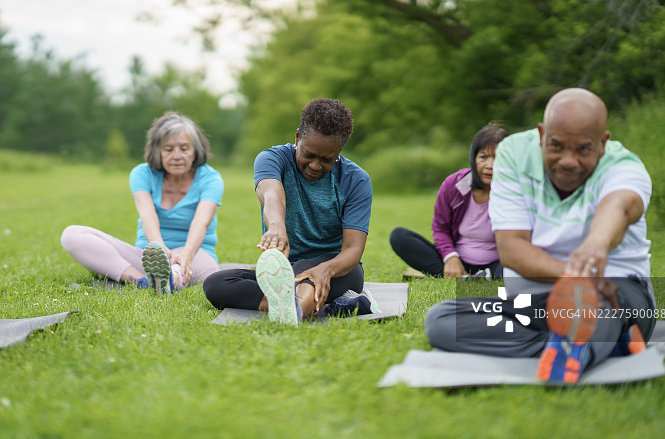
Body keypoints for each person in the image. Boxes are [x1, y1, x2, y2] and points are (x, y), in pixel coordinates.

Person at [425, 88, 657, 384]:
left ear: (602, 144)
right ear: (541, 135)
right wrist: (576, 276)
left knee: (598, 307)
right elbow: (512, 249)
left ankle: (585, 339)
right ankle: (597, 344)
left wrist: (596, 245)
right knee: (442, 320)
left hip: (614, 292)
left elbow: (619, 206)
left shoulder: (624, 166)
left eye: (583, 149)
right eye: (556, 146)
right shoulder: (514, 155)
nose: (568, 160)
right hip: (536, 302)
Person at [203, 98, 375, 325]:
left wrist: (326, 269)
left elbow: (353, 250)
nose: (315, 165)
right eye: (309, 155)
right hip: (286, 271)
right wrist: (276, 226)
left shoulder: (356, 180)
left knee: (304, 269)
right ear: (297, 137)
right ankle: (312, 306)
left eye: (327, 159)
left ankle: (295, 310)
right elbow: (271, 194)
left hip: (338, 271)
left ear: (339, 151)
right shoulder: (273, 159)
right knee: (216, 283)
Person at [61, 112, 223, 294]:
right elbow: (147, 216)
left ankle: (171, 280)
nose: (177, 156)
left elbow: (201, 222)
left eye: (184, 149)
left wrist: (186, 254)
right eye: (168, 149)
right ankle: (142, 280)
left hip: (195, 254)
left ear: (195, 151)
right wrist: (160, 249)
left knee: (180, 266)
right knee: (72, 235)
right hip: (151, 256)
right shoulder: (142, 174)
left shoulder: (211, 178)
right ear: (157, 151)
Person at [390, 123, 508, 280]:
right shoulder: (454, 185)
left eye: (498, 158)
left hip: (499, 263)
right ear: (473, 158)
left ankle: (478, 277)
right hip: (456, 260)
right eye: (483, 157)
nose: (490, 165)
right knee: (399, 236)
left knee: (519, 264)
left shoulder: (515, 191)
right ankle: (464, 275)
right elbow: (440, 229)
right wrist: (451, 257)